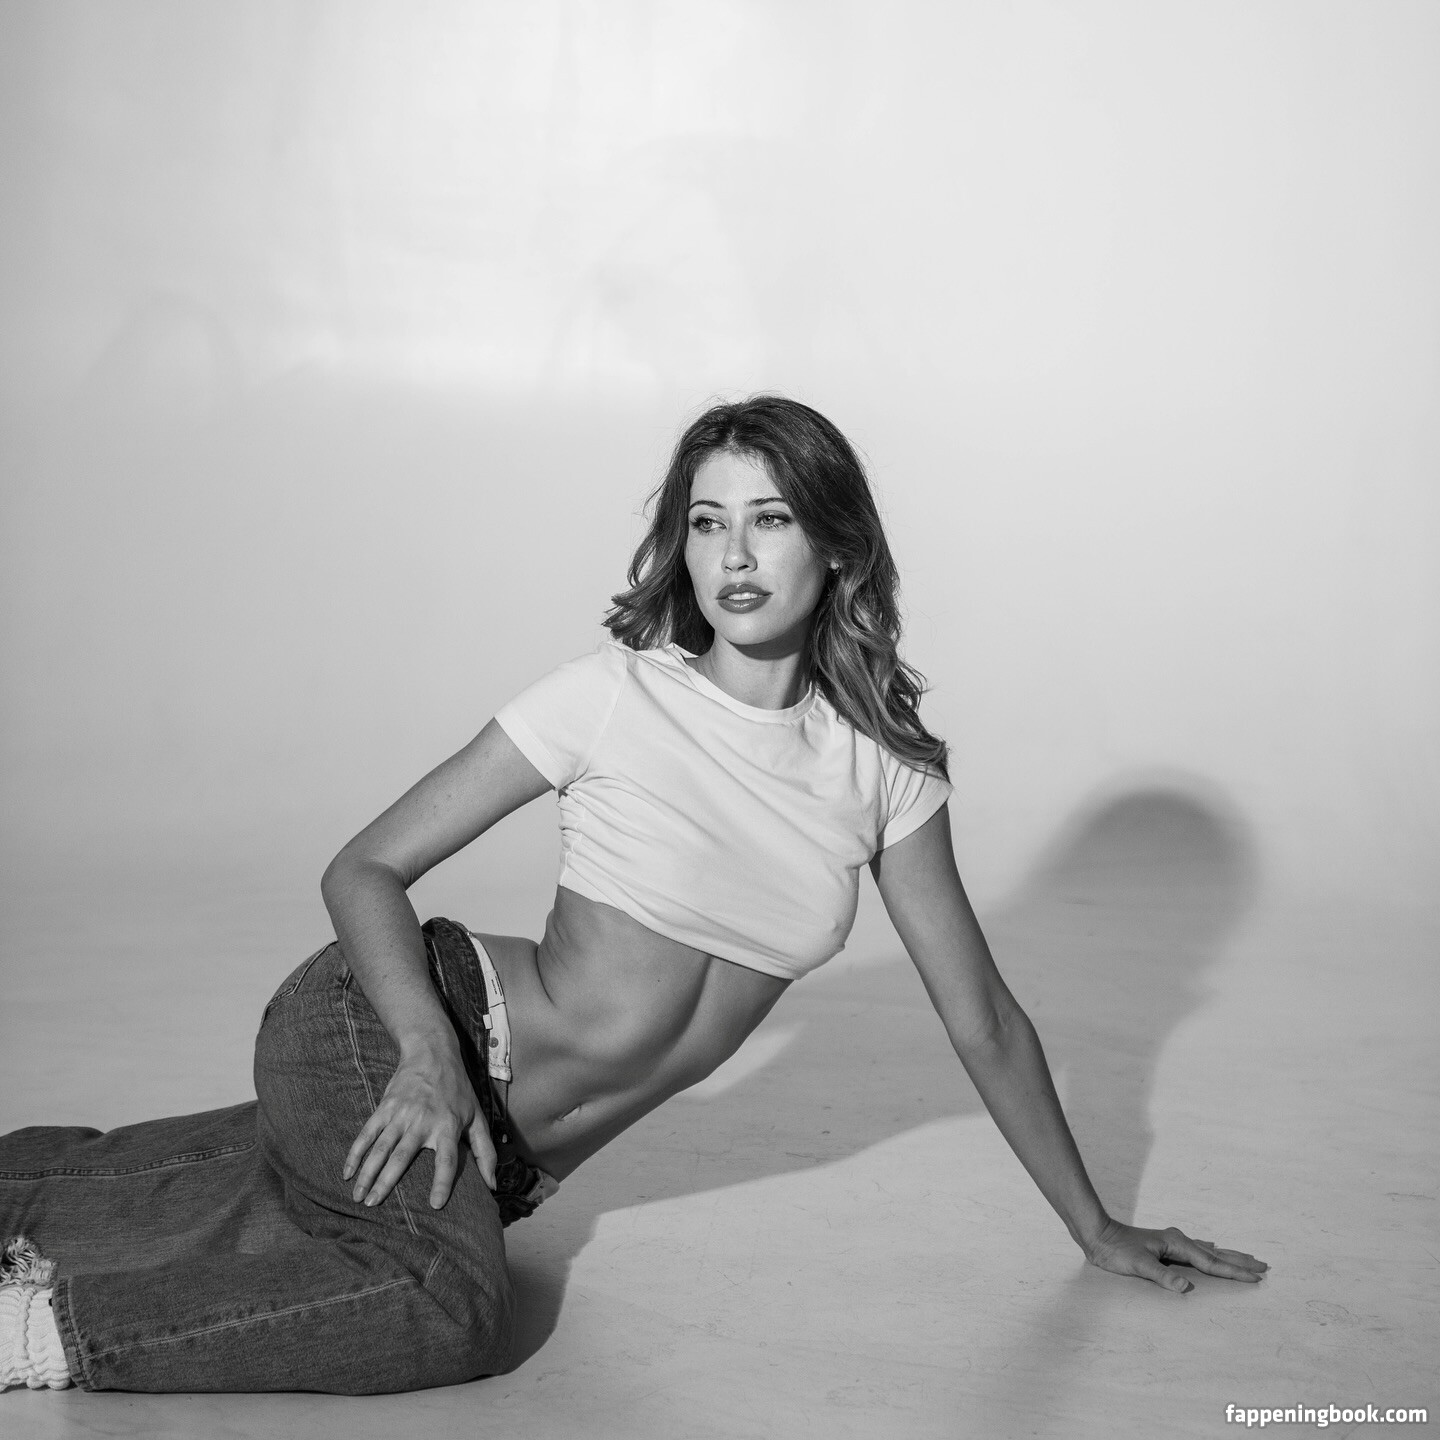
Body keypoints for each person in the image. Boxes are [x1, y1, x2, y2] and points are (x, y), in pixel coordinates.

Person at [0, 396, 1266, 1395]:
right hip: (392, 1026)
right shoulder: (613, 696)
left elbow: (981, 1019)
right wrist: (429, 1059)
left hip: (499, 1164)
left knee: (162, 1203)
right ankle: (36, 1339)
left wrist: (1095, 1226)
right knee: (444, 1307)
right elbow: (362, 869)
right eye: (708, 522)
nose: (735, 555)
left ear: (834, 543)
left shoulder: (883, 772)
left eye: (770, 519)